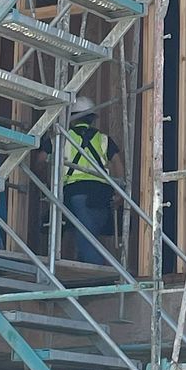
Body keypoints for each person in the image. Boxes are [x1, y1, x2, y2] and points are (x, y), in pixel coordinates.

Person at [60, 112, 121, 265]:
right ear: (92, 119)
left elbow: (40, 160)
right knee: (89, 232)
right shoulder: (104, 139)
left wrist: (49, 184)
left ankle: (96, 270)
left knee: (85, 236)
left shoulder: (62, 137)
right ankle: (89, 267)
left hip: (76, 190)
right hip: (102, 193)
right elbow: (118, 165)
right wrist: (119, 192)